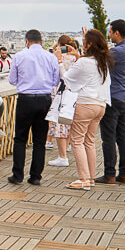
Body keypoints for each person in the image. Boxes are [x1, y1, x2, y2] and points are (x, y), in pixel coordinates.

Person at [55, 29, 113, 190]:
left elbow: (67, 78)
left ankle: (83, 178)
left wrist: (60, 61)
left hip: (85, 104)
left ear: (89, 44)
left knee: (77, 141)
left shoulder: (84, 62)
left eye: (84, 40)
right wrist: (78, 55)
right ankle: (91, 177)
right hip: (100, 105)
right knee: (89, 141)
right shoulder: (103, 62)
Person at [8, 29, 59, 186]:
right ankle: (35, 176)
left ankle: (17, 175)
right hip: (44, 100)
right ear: (41, 41)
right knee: (39, 140)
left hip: (25, 99)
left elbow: (12, 80)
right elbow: (55, 80)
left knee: (20, 138)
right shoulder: (50, 57)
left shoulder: (19, 56)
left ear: (27, 41)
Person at [96, 20, 125, 184]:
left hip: (113, 98)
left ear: (117, 33)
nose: (109, 35)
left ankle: (110, 174)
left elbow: (97, 61)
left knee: (108, 138)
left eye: (110, 32)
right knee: (122, 136)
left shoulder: (117, 52)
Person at [47, 35, 79, 168]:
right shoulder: (76, 59)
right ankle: (65, 150)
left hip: (60, 91)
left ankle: (62, 156)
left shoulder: (56, 59)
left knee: (59, 124)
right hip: (73, 93)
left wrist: (55, 48)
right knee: (68, 123)